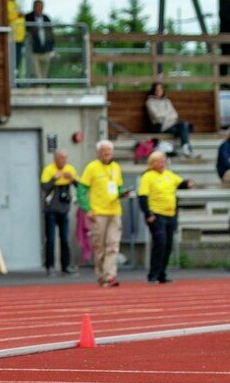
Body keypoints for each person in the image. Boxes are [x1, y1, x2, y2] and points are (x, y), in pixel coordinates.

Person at [77, 140, 132, 287]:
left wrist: (123, 194)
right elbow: (81, 191)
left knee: (113, 245)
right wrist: (86, 209)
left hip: (114, 211)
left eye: (109, 151)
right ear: (98, 153)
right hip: (98, 212)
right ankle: (101, 275)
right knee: (99, 247)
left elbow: (118, 188)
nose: (107, 154)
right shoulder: (91, 168)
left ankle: (110, 275)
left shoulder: (116, 168)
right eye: (104, 151)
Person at [137, 150, 194, 284]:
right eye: (159, 161)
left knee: (168, 245)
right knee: (160, 243)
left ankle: (162, 273)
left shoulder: (169, 175)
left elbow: (180, 183)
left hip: (170, 214)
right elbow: (142, 197)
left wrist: (188, 183)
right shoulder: (148, 176)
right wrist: (148, 213)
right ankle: (153, 274)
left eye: (163, 161)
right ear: (152, 163)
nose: (162, 164)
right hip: (156, 214)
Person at [40, 149, 78, 276]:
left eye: (65, 158)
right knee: (50, 239)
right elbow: (44, 187)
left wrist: (71, 179)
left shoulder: (70, 169)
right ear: (55, 159)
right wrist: (54, 178)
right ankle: (50, 265)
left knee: (65, 239)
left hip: (64, 209)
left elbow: (80, 185)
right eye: (61, 158)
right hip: (50, 210)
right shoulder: (48, 170)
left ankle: (65, 265)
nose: (63, 161)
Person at [145, 81, 193, 157]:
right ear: (153, 90)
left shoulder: (167, 101)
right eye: (157, 89)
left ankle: (185, 147)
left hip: (171, 124)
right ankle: (186, 147)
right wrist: (168, 115)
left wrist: (166, 117)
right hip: (160, 127)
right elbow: (157, 116)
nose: (159, 91)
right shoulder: (150, 102)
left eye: (160, 89)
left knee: (184, 124)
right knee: (183, 128)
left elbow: (175, 114)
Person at [25, 0, 54, 83]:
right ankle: (39, 88)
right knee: (37, 74)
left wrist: (51, 48)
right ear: (33, 7)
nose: (39, 8)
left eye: (40, 7)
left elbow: (50, 34)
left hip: (46, 50)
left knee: (45, 73)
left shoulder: (46, 18)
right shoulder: (28, 17)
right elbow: (27, 30)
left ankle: (43, 89)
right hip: (34, 50)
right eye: (37, 6)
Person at [7, 0, 25, 76]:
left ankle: (15, 81)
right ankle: (12, 82)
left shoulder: (14, 3)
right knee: (11, 61)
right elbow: (6, 16)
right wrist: (18, 14)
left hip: (19, 38)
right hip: (11, 38)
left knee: (17, 62)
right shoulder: (5, 2)